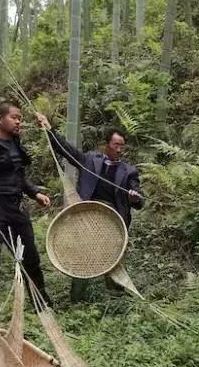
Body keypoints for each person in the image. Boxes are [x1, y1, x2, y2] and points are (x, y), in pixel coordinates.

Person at [35, 113, 143, 301]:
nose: (119, 149)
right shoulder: (90, 160)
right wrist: (49, 129)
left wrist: (134, 198)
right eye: (116, 145)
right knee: (82, 257)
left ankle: (116, 300)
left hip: (113, 220)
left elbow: (139, 200)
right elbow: (66, 151)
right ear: (106, 145)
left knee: (114, 260)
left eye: (122, 146)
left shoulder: (129, 171)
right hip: (87, 217)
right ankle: (77, 300)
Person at [0, 102, 52, 310]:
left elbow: (19, 177)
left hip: (16, 206)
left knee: (30, 255)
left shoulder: (15, 143)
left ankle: (41, 302)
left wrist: (35, 193)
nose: (18, 122)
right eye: (14, 117)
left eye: (20, 118)